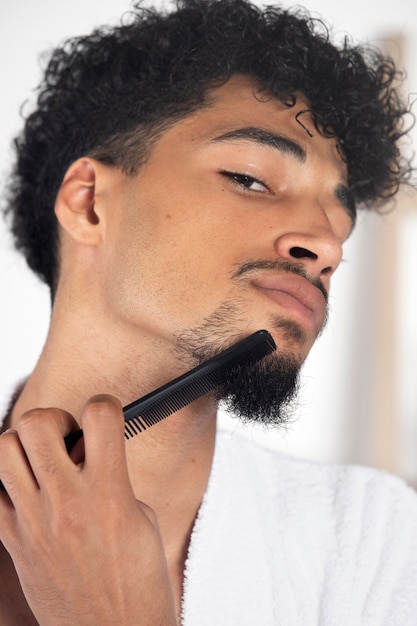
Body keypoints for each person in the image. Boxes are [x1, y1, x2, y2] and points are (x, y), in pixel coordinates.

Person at [0, 0, 416, 623]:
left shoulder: (375, 545)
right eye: (251, 178)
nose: (327, 245)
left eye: (341, 222)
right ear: (89, 203)